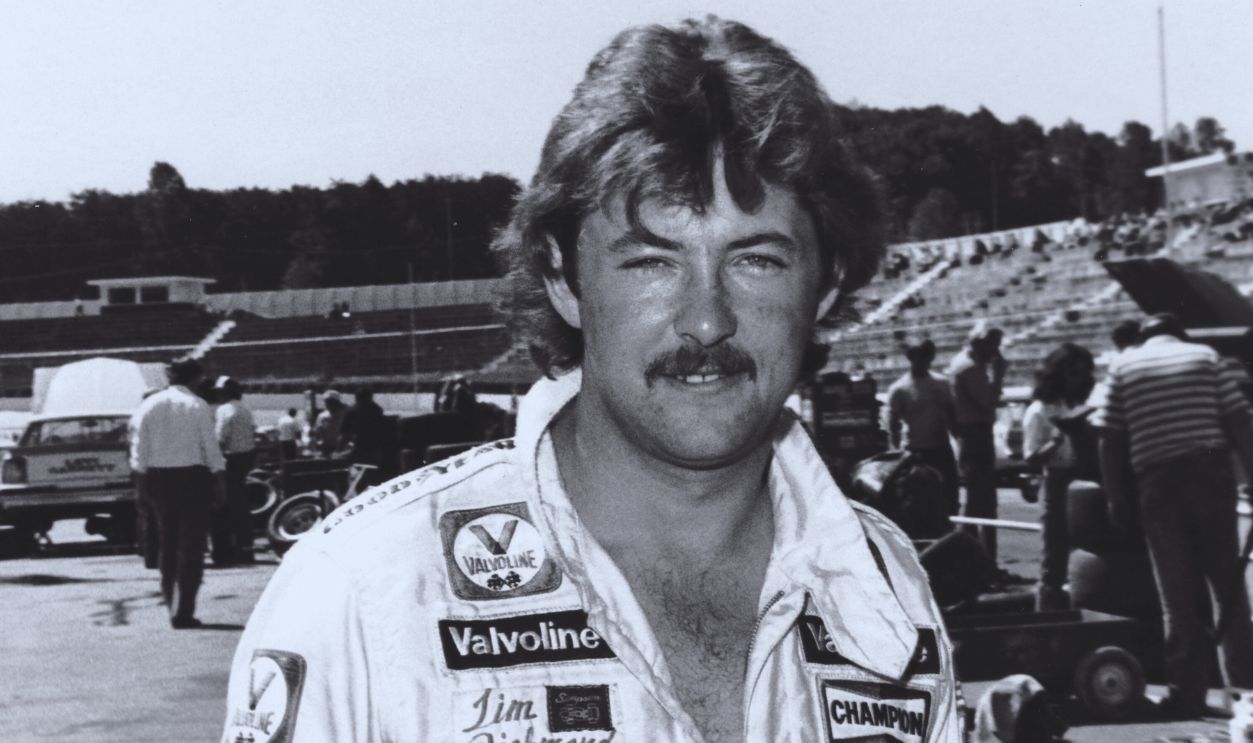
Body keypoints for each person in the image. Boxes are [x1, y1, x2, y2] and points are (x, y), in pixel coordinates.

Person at [222, 17, 961, 743]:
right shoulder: (362, 589)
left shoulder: (886, 587)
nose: (706, 321)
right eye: (651, 261)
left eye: (755, 259)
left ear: (824, 287)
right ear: (563, 278)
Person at [1094, 313, 1253, 717]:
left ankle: (1187, 694)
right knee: (1228, 590)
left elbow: (1108, 439)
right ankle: (1245, 692)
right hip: (1211, 475)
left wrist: (1116, 497)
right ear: (1179, 334)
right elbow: (1239, 422)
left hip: (1158, 481)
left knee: (1177, 597)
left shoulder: (1124, 366)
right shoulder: (1206, 356)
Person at [129, 358, 225, 629]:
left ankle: (172, 609)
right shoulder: (197, 405)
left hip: (158, 480)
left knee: (167, 546)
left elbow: (139, 453)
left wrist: (141, 488)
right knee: (192, 548)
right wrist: (220, 481)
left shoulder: (148, 406)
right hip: (194, 479)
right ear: (195, 379)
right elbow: (211, 449)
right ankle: (185, 610)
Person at [1021, 343, 1095, 611]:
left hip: (1082, 479)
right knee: (1053, 555)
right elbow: (1030, 457)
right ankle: (1047, 613)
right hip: (1055, 480)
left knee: (1084, 551)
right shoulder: (1039, 410)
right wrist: (1055, 440)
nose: (1080, 378)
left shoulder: (1080, 403)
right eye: (1073, 372)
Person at [947, 323, 1007, 566]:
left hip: (972, 433)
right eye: (993, 346)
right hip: (976, 432)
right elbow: (988, 401)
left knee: (978, 498)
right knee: (981, 500)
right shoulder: (970, 368)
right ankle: (981, 558)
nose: (996, 352)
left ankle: (979, 557)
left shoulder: (968, 363)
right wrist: (999, 375)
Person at [886, 339, 960, 514]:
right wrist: (897, 451)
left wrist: (960, 444)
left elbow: (952, 417)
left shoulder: (942, 384)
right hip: (916, 451)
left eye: (927, 357)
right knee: (919, 499)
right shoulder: (899, 388)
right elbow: (894, 423)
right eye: (919, 357)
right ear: (911, 358)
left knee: (950, 496)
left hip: (941, 448)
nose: (924, 361)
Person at [212, 376, 257, 565]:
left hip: (230, 459)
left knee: (223, 506)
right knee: (241, 505)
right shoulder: (246, 409)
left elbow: (220, 438)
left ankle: (226, 550)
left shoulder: (225, 409)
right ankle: (245, 547)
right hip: (246, 458)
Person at [340, 388, 390, 484]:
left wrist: (339, 450)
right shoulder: (377, 409)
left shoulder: (352, 411)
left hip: (360, 447)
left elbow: (344, 434)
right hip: (375, 448)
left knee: (350, 468)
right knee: (372, 472)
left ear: (357, 398)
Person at [312, 389, 348, 458]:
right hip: (326, 449)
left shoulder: (345, 415)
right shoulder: (322, 416)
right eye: (327, 402)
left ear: (337, 402)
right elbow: (318, 433)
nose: (328, 404)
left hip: (343, 449)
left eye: (331, 402)